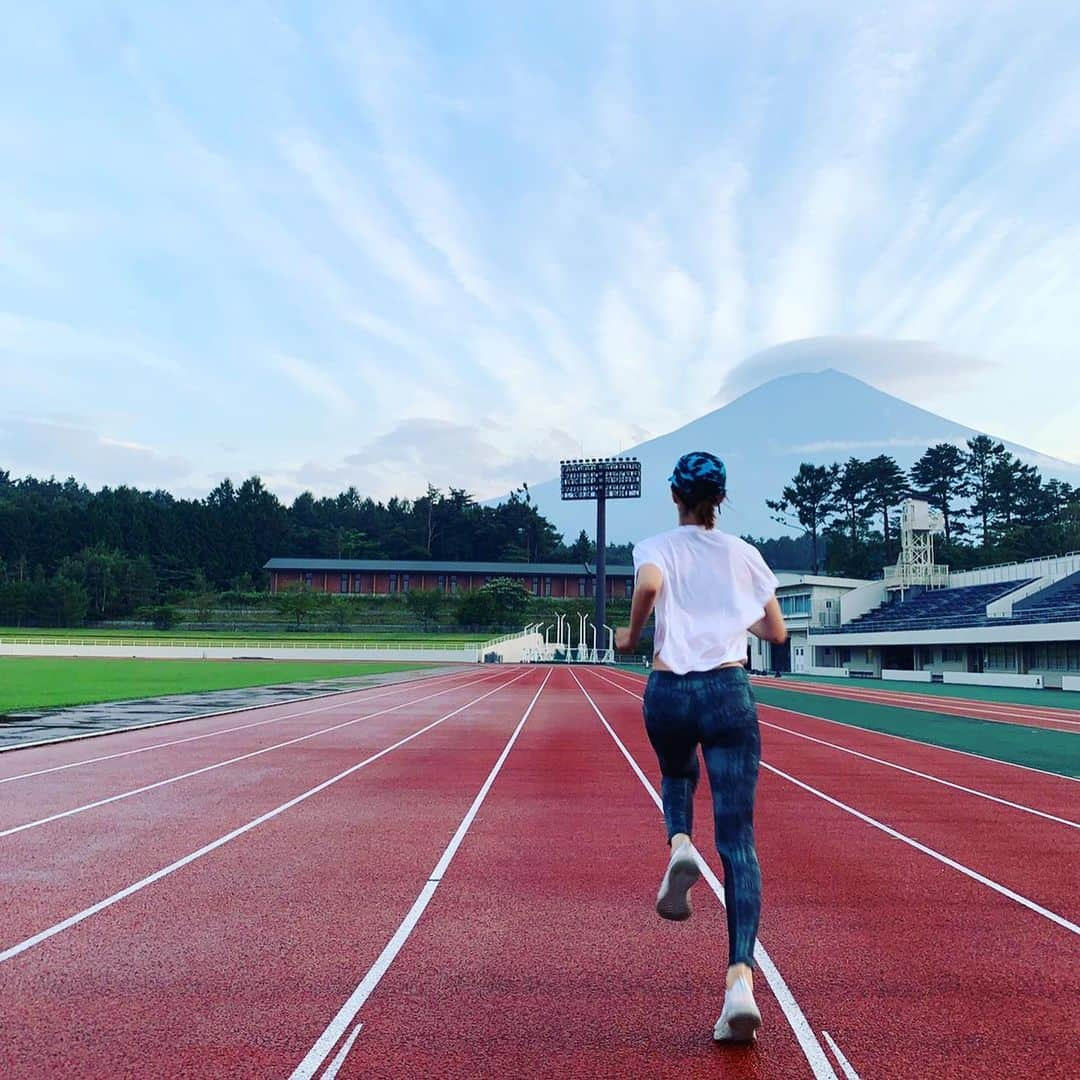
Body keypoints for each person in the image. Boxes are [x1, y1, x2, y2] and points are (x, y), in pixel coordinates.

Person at [615, 450, 787, 1044]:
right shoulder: (745, 554)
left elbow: (652, 584)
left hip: (669, 687)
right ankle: (739, 979)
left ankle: (680, 843)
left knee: (676, 771)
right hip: (727, 691)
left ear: (675, 497)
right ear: (721, 498)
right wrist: (737, 618)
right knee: (739, 842)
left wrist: (633, 633)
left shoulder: (657, 545)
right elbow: (777, 630)